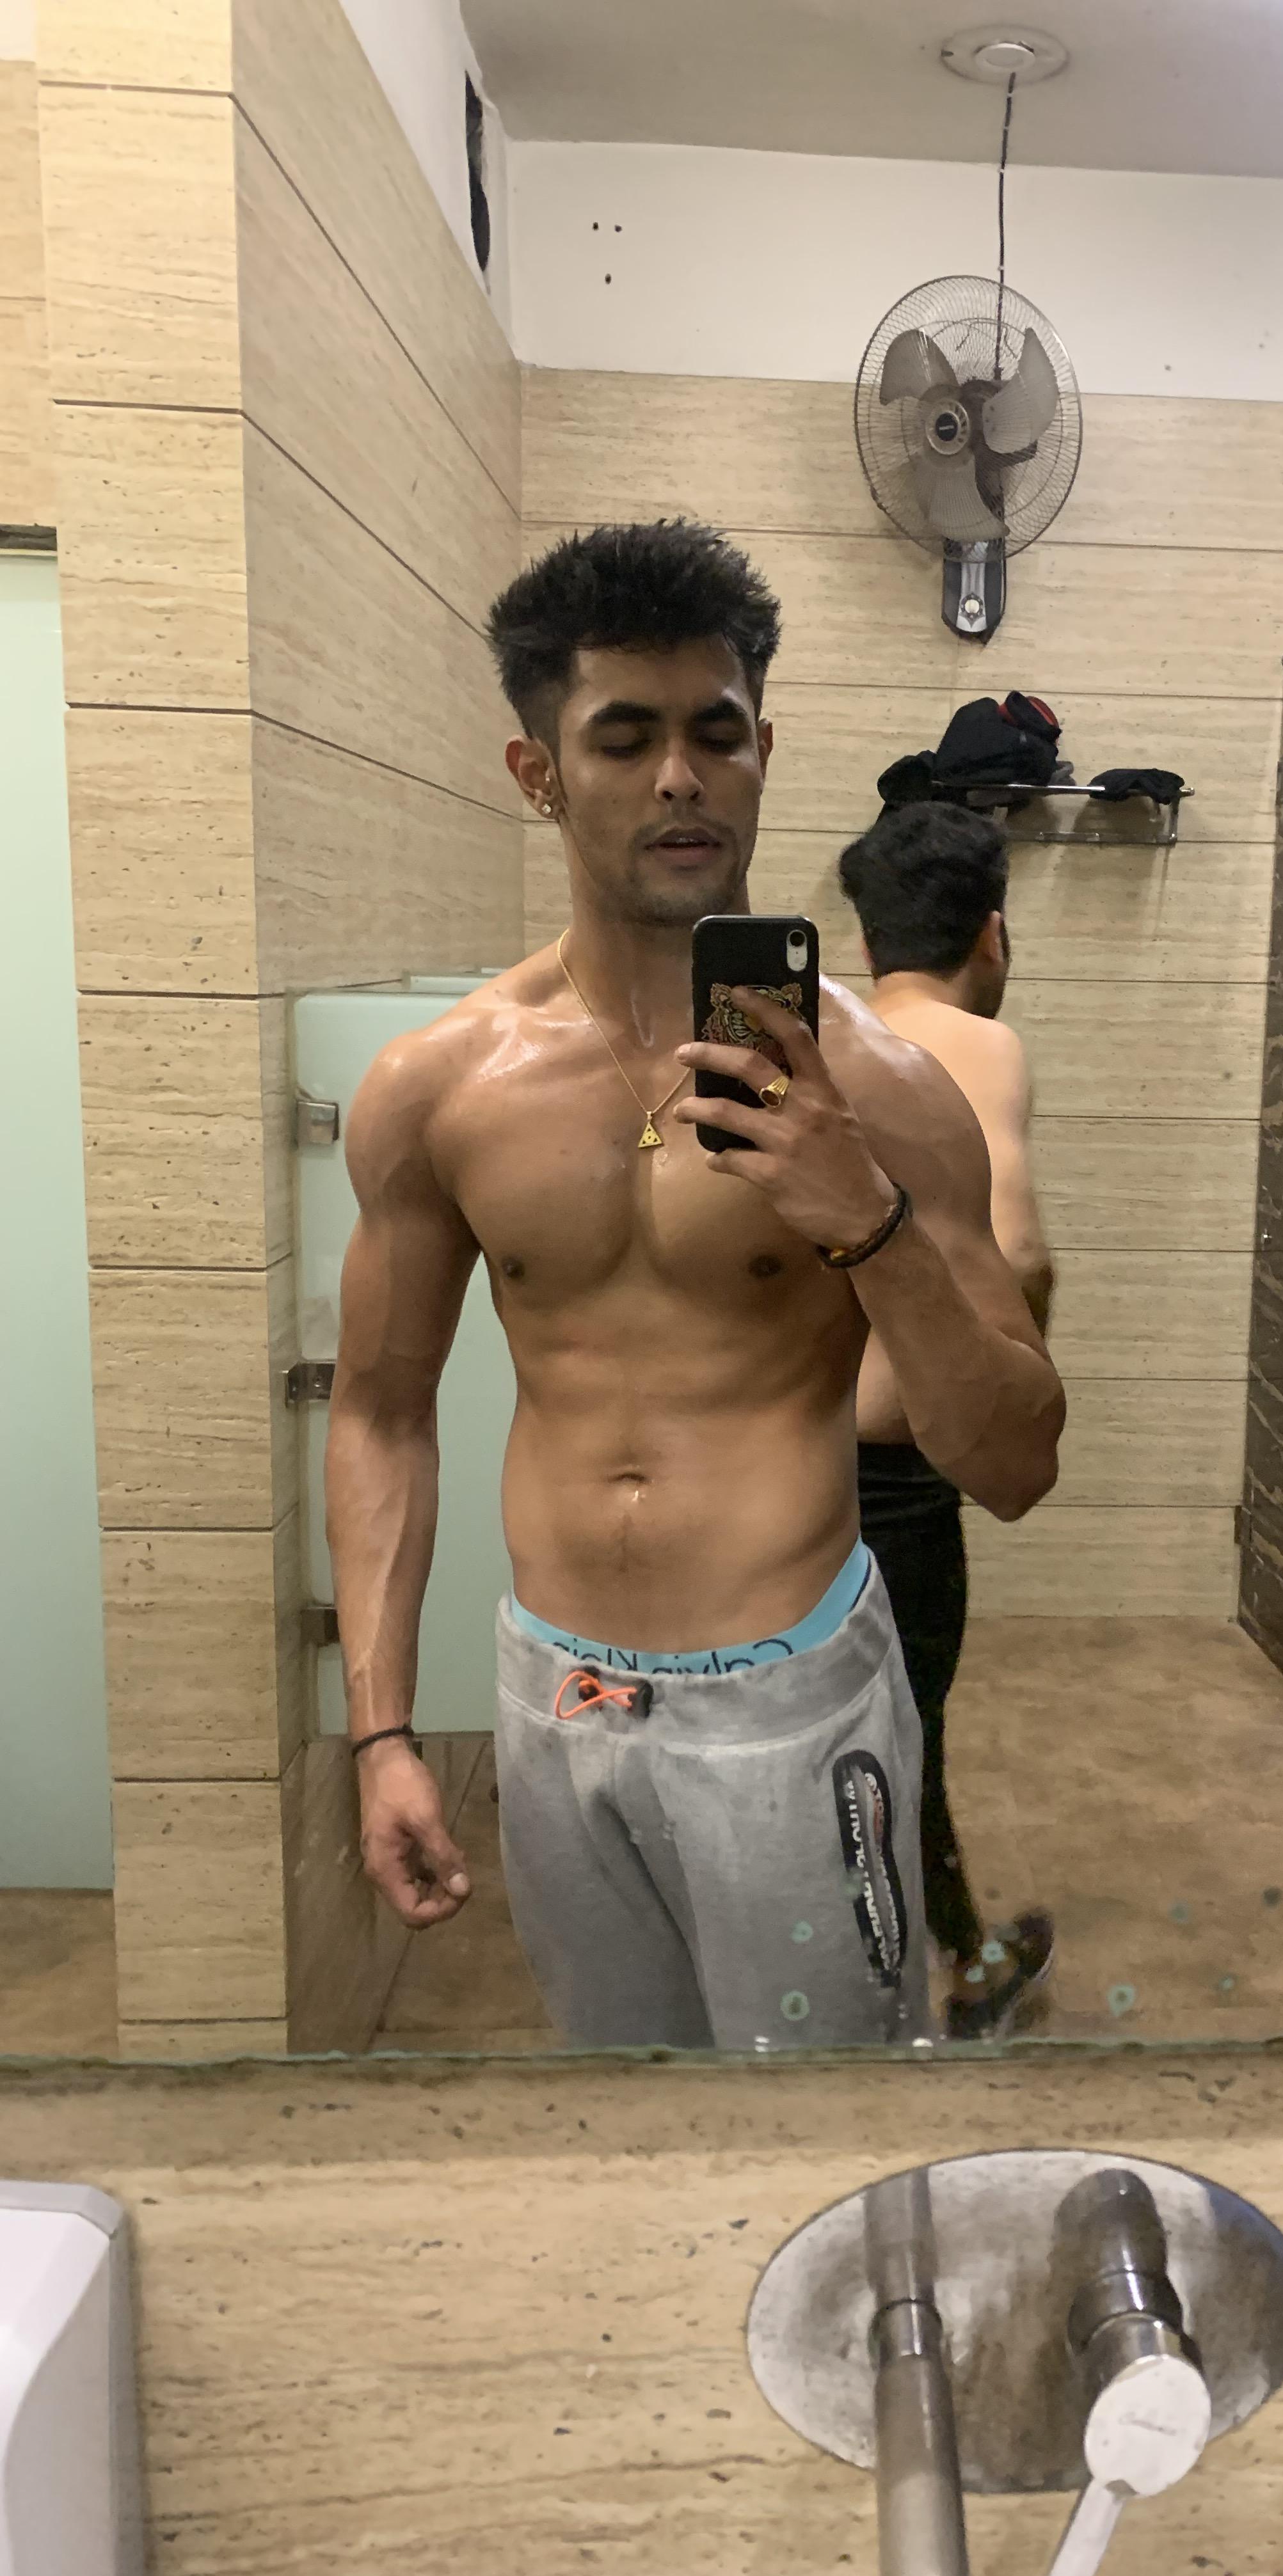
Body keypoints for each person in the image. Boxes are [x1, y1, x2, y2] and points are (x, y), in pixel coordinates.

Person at [326, 521, 1063, 2053]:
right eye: (625, 738)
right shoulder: (439, 1088)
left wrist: (865, 1219)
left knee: (824, 2128)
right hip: (556, 1694)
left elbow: (1014, 1465)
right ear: (539, 773)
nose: (680, 778)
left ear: (763, 753)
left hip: (793, 1698)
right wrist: (383, 1729)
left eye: (717, 734)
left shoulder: (887, 1090)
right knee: (623, 2111)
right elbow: (382, 1414)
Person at [837, 802, 1056, 2041]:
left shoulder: (817, 1037)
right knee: (898, 1740)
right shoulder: (979, 1046)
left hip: (767, 1457)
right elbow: (1016, 1253)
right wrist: (1013, 1385)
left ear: (866, 941)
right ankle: (944, 1979)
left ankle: (952, 1952)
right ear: (992, 934)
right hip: (897, 1468)